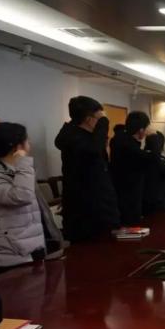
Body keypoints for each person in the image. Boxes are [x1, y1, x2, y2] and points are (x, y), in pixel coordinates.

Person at [55, 96, 119, 241]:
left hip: (98, 207)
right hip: (87, 212)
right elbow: (93, 151)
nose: (101, 122)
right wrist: (104, 122)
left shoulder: (82, 138)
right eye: (99, 118)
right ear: (89, 119)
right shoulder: (75, 139)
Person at [0, 122, 45, 272]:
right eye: (27, 140)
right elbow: (22, 196)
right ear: (18, 147)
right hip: (11, 254)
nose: (29, 143)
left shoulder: (18, 171)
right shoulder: (1, 173)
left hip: (30, 247)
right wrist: (23, 162)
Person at [110, 111, 156, 225]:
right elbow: (152, 158)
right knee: (131, 224)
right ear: (141, 130)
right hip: (129, 194)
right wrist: (153, 137)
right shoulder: (128, 145)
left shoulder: (119, 140)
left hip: (121, 191)